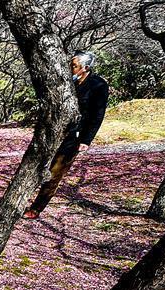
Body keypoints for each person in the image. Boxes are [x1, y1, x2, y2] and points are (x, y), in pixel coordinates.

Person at [25, 51, 109, 219]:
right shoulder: (65, 81)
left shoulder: (98, 85)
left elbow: (97, 115)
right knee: (35, 164)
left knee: (55, 172)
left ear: (85, 68)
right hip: (53, 132)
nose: (70, 68)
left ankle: (36, 208)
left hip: (74, 136)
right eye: (70, 64)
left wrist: (86, 140)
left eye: (74, 66)